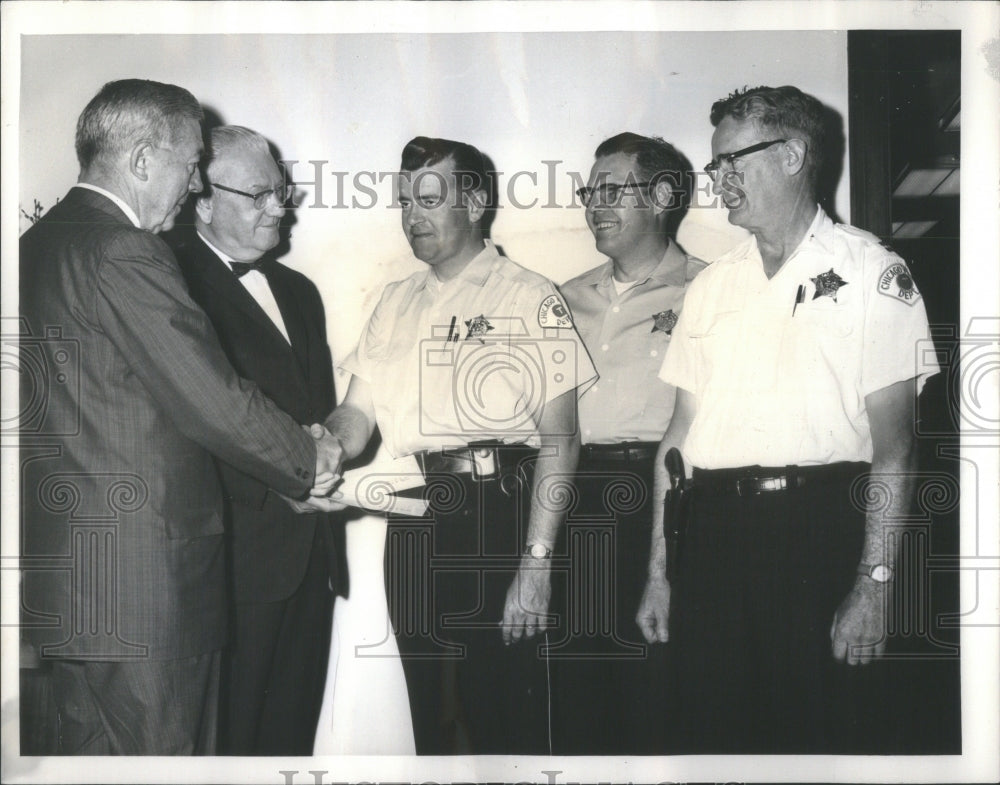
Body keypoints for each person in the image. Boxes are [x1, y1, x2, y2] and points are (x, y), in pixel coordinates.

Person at [18, 80, 341, 755]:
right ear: (141, 161)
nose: (195, 186)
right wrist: (308, 458)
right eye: (190, 164)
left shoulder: (39, 245)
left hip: (71, 595)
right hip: (146, 596)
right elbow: (215, 398)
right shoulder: (125, 251)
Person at [636, 85, 940, 753]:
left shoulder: (872, 272)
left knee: (819, 736)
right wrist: (660, 573)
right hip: (711, 536)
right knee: (713, 738)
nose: (720, 179)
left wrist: (875, 583)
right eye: (716, 165)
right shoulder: (712, 286)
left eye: (732, 161)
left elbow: (896, 448)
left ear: (794, 154)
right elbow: (676, 441)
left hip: (819, 532)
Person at [319, 136, 596, 754]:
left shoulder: (530, 295)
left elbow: (562, 438)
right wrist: (321, 450)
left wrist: (536, 561)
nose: (411, 217)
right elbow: (356, 414)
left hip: (503, 515)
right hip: (419, 518)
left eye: (428, 198)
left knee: (502, 715)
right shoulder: (394, 301)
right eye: (404, 201)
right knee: (433, 716)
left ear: (474, 202)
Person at [170, 126, 344, 755]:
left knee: (289, 744)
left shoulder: (300, 293)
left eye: (282, 191)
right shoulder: (167, 282)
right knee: (231, 746)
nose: (279, 207)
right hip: (233, 565)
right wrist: (281, 488)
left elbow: (318, 418)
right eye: (259, 194)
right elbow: (179, 430)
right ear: (201, 198)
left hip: (312, 560)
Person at [554, 132, 705, 754]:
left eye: (613, 190)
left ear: (664, 196)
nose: (595, 205)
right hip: (572, 497)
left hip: (663, 501)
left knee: (657, 689)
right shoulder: (563, 298)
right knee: (577, 691)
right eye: (592, 192)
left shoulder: (709, 291)